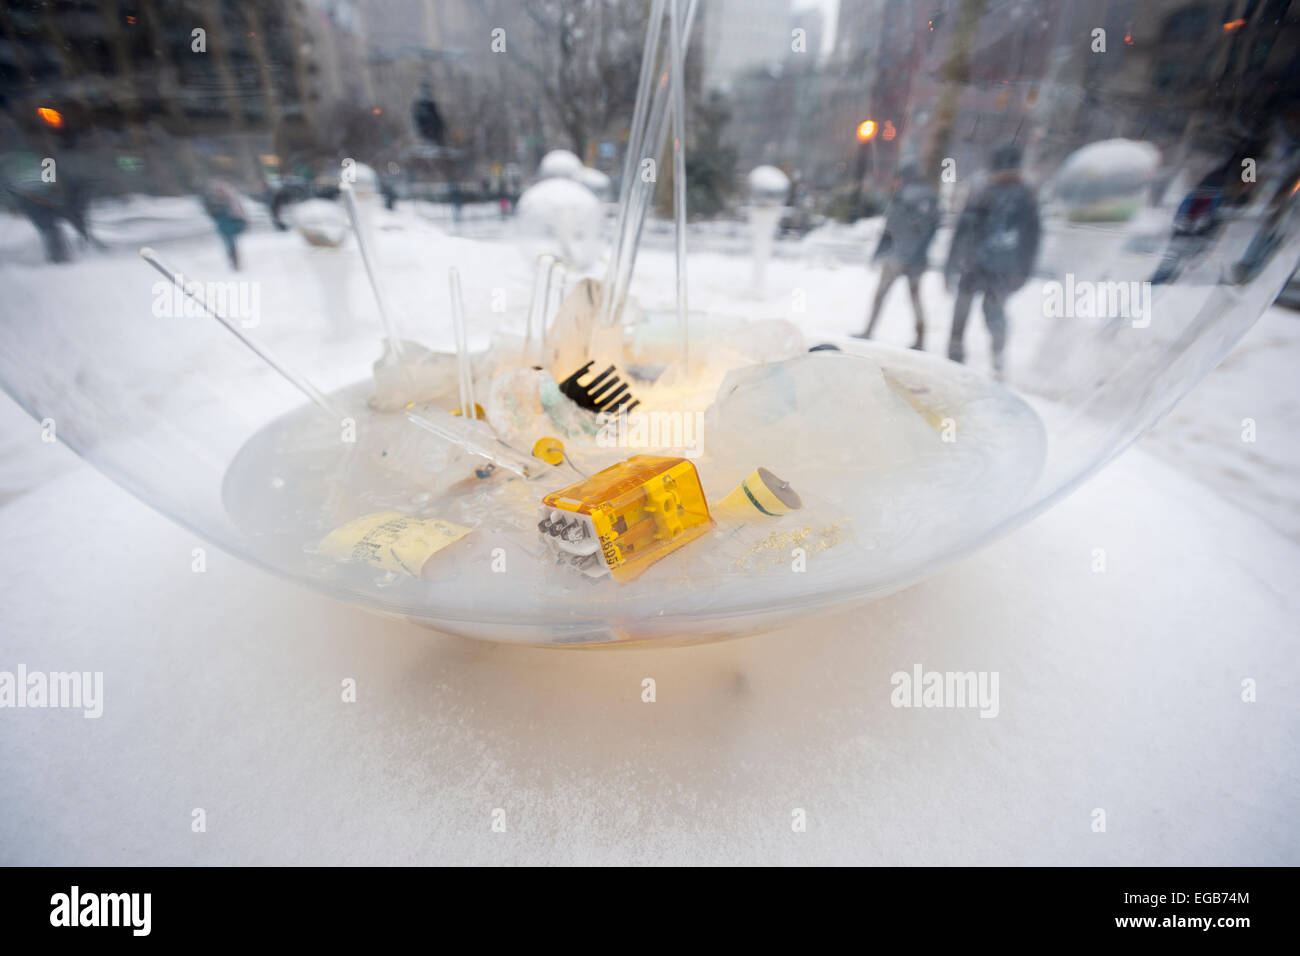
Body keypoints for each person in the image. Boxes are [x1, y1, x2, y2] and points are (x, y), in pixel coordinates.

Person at [944, 144, 1040, 376]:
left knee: (974, 311)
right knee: (987, 312)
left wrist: (953, 262)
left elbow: (963, 229)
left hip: (982, 266)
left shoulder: (989, 191)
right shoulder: (1023, 196)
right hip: (994, 268)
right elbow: (1032, 238)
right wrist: (1023, 270)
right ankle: (986, 356)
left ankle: (963, 355)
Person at [856, 162, 940, 347]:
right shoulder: (929, 196)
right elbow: (930, 230)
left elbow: (891, 228)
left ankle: (868, 330)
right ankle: (920, 338)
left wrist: (881, 253)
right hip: (913, 258)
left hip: (897, 256)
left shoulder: (904, 195)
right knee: (915, 298)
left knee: (881, 295)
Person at [202, 178, 249, 270]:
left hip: (229, 222)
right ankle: (233, 259)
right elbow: (210, 210)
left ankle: (234, 259)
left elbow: (238, 208)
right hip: (223, 222)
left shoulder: (229, 198)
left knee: (230, 241)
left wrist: (242, 218)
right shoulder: (214, 200)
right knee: (228, 241)